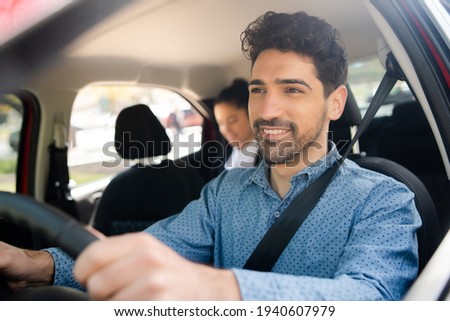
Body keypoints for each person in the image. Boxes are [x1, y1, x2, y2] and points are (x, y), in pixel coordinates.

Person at [0, 11, 421, 300]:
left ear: (335, 103)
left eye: (292, 89)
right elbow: (151, 248)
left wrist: (215, 289)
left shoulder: (384, 199)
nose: (267, 110)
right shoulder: (224, 193)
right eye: (258, 90)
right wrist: (35, 263)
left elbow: (371, 299)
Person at [213, 78, 260, 170]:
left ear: (250, 115)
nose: (226, 129)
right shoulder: (221, 157)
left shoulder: (269, 158)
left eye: (232, 120)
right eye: (221, 123)